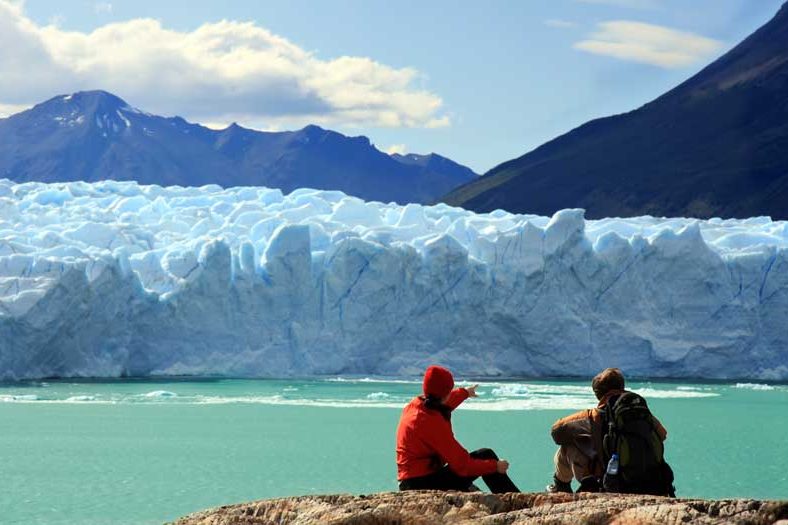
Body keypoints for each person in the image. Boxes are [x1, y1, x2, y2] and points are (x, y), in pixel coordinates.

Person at [547, 367, 674, 496]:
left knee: (568, 447)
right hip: (651, 481)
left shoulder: (592, 416)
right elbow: (662, 435)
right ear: (622, 386)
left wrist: (589, 439)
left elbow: (556, 432)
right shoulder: (640, 412)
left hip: (610, 482)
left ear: (597, 393)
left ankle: (561, 487)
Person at [396, 365, 519, 493]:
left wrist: (465, 392)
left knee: (482, 459)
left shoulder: (417, 406)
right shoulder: (429, 422)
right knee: (485, 455)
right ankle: (518, 503)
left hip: (412, 479)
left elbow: (446, 403)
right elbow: (462, 465)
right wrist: (495, 466)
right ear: (444, 394)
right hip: (420, 484)